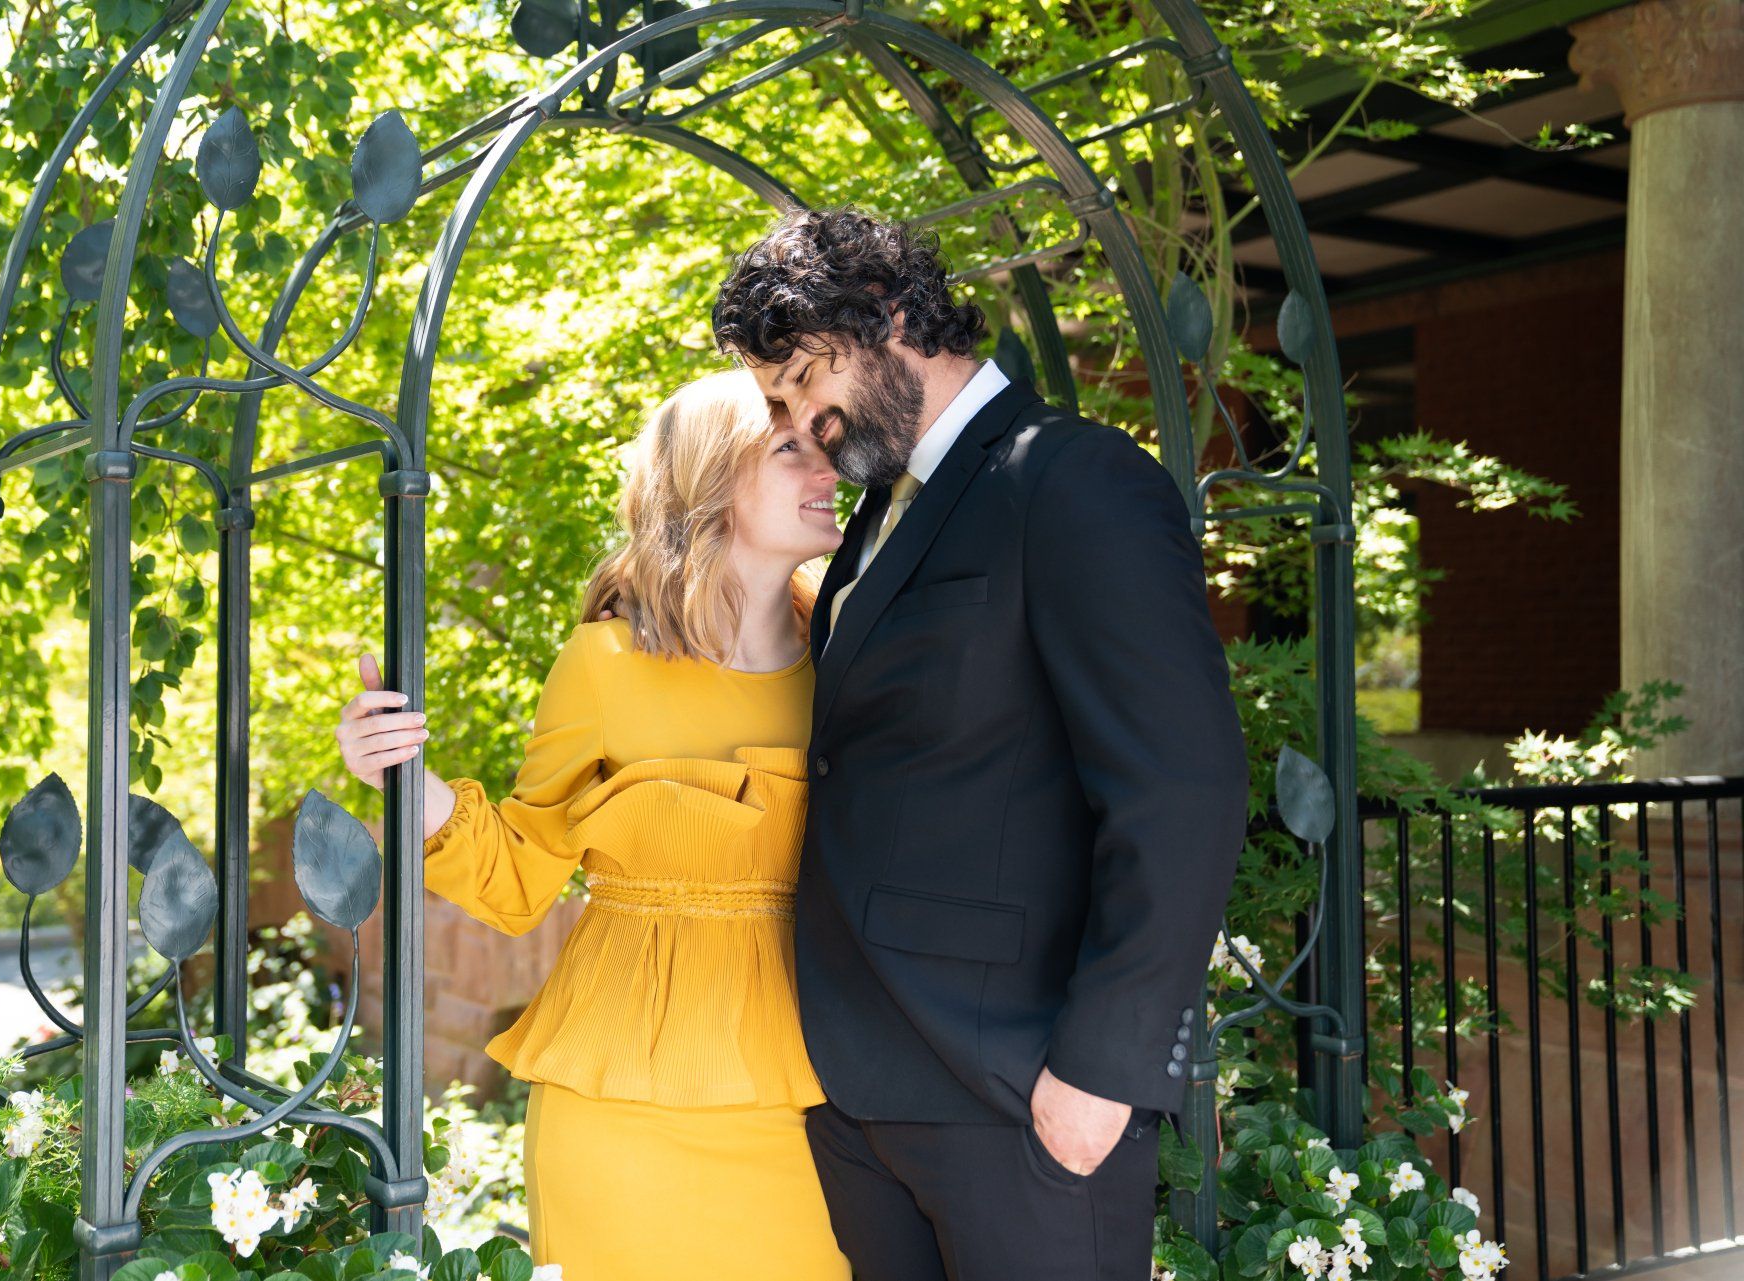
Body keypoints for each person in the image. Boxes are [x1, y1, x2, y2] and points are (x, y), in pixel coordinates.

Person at [710, 205, 1250, 1279]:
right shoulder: (876, 517)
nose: (802, 420)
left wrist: (1105, 1072)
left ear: (894, 313)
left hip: (1024, 1096)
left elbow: (1180, 791)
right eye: (779, 400)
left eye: (807, 379)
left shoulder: (1072, 479)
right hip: (864, 1092)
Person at [332, 369, 851, 1280]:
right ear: (709, 481)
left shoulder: (853, 657)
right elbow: (522, 877)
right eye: (790, 448)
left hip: (812, 1095)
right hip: (619, 1110)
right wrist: (415, 792)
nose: (829, 468)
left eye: (827, 441)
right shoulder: (604, 661)